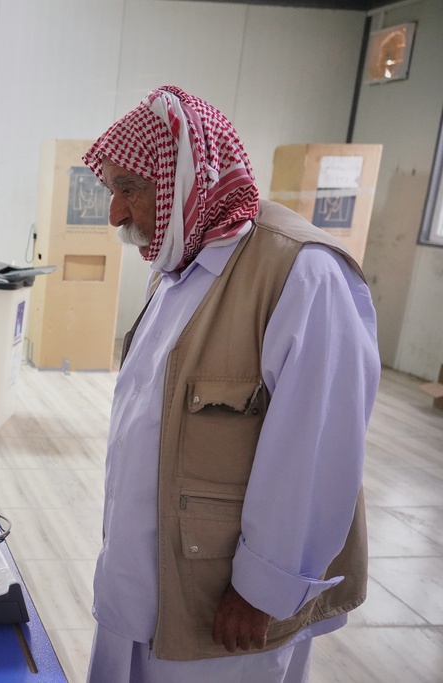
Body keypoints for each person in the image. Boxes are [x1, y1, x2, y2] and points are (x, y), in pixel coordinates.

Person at [82, 86, 379, 682]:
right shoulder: (178, 266)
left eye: (129, 189)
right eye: (111, 190)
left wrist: (264, 588)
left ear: (185, 179)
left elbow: (316, 451)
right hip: (144, 579)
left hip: (225, 607)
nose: (114, 214)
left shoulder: (299, 271)